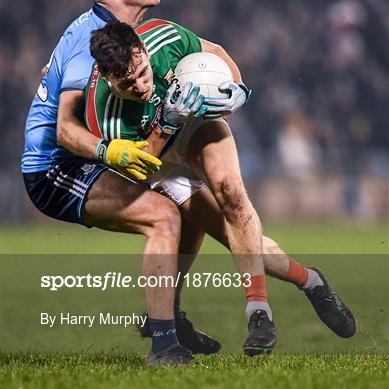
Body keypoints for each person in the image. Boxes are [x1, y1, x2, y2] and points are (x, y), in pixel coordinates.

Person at [85, 19, 356, 347]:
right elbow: (140, 170)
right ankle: (311, 281)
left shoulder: (163, 37)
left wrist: (236, 85)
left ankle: (259, 313)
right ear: (107, 77)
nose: (141, 86)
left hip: (195, 125)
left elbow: (214, 51)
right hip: (158, 159)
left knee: (231, 193)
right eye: (128, 84)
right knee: (229, 236)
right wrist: (167, 122)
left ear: (141, 49)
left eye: (143, 73)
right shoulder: (103, 115)